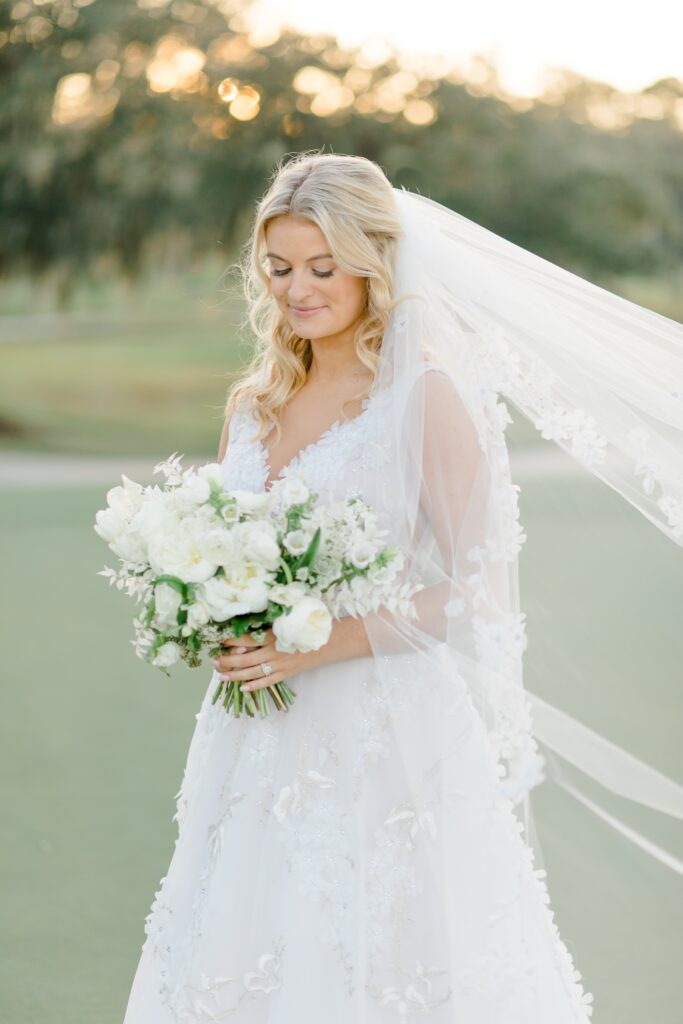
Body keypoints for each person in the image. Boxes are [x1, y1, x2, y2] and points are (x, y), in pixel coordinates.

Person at [123, 151, 683, 1022]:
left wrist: (316, 644)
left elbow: (475, 590)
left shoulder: (421, 396)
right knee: (244, 941)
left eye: (324, 267)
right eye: (279, 268)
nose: (297, 290)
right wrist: (209, 610)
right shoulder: (254, 402)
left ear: (375, 265)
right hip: (254, 737)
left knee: (388, 960)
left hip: (382, 730)